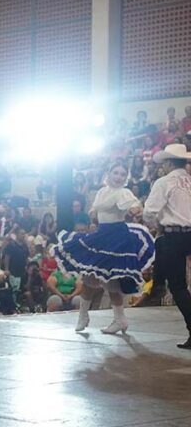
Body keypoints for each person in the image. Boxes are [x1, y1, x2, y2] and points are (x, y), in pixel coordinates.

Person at [55, 161, 154, 334]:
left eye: (123, 174)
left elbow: (132, 205)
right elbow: (94, 212)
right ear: (108, 173)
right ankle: (83, 316)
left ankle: (119, 319)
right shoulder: (102, 191)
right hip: (101, 235)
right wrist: (94, 218)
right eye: (115, 173)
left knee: (112, 282)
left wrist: (136, 209)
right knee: (88, 279)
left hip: (116, 238)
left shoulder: (124, 192)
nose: (119, 177)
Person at [143, 143, 191, 349]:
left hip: (174, 234)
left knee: (178, 286)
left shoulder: (164, 182)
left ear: (170, 162)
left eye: (164, 163)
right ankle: (157, 282)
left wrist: (158, 226)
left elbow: (149, 212)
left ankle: (157, 284)